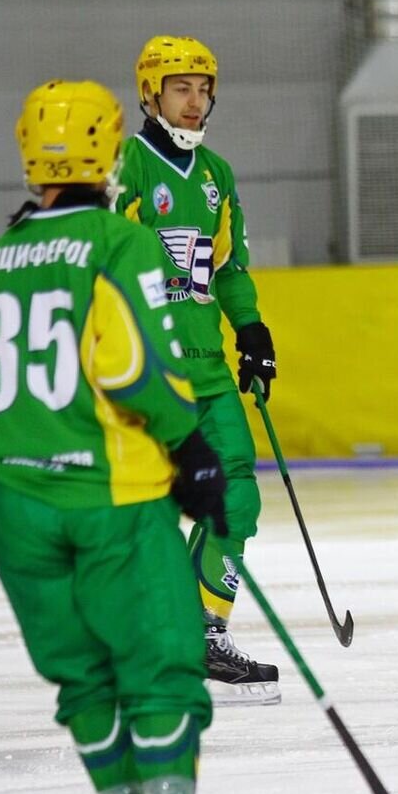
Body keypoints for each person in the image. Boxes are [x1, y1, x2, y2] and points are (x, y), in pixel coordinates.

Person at [0, 80, 224, 794]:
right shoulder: (114, 242)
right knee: (160, 665)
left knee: (84, 680)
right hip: (112, 502)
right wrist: (189, 448)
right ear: (106, 154)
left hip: (12, 507)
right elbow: (131, 366)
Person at [116, 36, 279, 705]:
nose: (195, 100)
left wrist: (251, 331)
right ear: (150, 95)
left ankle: (203, 632)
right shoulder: (124, 168)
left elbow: (231, 269)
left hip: (209, 374)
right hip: (147, 377)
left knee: (238, 499)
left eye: (203, 87)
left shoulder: (216, 173)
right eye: (180, 88)